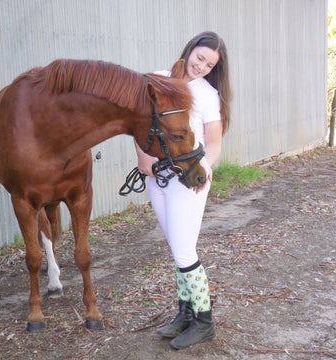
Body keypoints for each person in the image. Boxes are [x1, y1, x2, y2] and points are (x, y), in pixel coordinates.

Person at [135, 31, 232, 350]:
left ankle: (204, 321)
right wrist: (142, 154)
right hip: (158, 177)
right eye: (200, 57)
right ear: (190, 50)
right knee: (178, 248)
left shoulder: (207, 94)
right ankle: (185, 313)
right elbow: (137, 121)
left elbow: (214, 142)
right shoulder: (160, 78)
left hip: (189, 179)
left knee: (185, 251)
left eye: (210, 63)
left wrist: (204, 170)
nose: (202, 66)